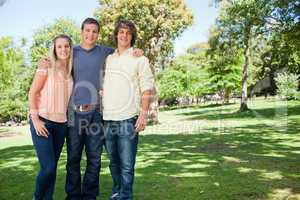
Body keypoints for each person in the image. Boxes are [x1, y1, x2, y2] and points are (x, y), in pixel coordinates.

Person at [102, 20, 154, 200]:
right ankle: (117, 192)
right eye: (121, 32)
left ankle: (125, 196)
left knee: (126, 164)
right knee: (113, 163)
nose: (124, 35)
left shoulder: (140, 58)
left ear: (132, 37)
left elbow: (147, 88)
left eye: (128, 33)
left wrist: (143, 116)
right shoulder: (109, 58)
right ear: (116, 34)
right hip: (108, 118)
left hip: (128, 118)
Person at [28, 34, 74, 200]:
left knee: (52, 168)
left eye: (66, 46)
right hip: (42, 121)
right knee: (47, 167)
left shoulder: (70, 72)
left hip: (61, 125)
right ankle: (37, 197)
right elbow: (33, 93)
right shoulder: (46, 66)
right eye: (59, 46)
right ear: (54, 49)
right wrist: (35, 120)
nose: (63, 49)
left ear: (71, 48)